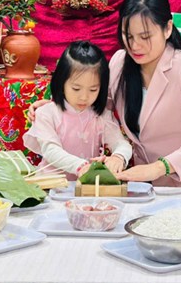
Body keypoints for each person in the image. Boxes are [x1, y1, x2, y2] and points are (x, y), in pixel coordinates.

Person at [30, 0, 181, 195]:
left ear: (167, 28)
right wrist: (58, 106)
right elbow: (96, 105)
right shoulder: (119, 63)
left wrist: (158, 168)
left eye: (145, 36)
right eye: (129, 36)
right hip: (149, 191)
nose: (135, 46)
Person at [23, 40, 132, 180]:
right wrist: (80, 166)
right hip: (51, 184)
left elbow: (120, 143)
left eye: (93, 89)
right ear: (61, 82)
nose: (84, 97)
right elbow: (51, 150)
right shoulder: (46, 113)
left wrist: (118, 157)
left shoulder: (100, 115)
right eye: (76, 89)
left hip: (84, 187)